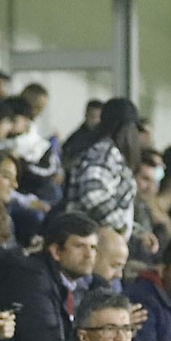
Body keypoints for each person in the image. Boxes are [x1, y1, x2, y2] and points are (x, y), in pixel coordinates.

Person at [0, 210, 101, 341]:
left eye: (93, 247)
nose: (89, 255)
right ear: (56, 251)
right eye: (80, 246)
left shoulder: (82, 283)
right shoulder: (32, 277)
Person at [67, 98, 139, 237]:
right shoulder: (104, 153)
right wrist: (120, 226)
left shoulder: (107, 152)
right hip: (93, 240)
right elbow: (92, 194)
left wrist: (137, 232)